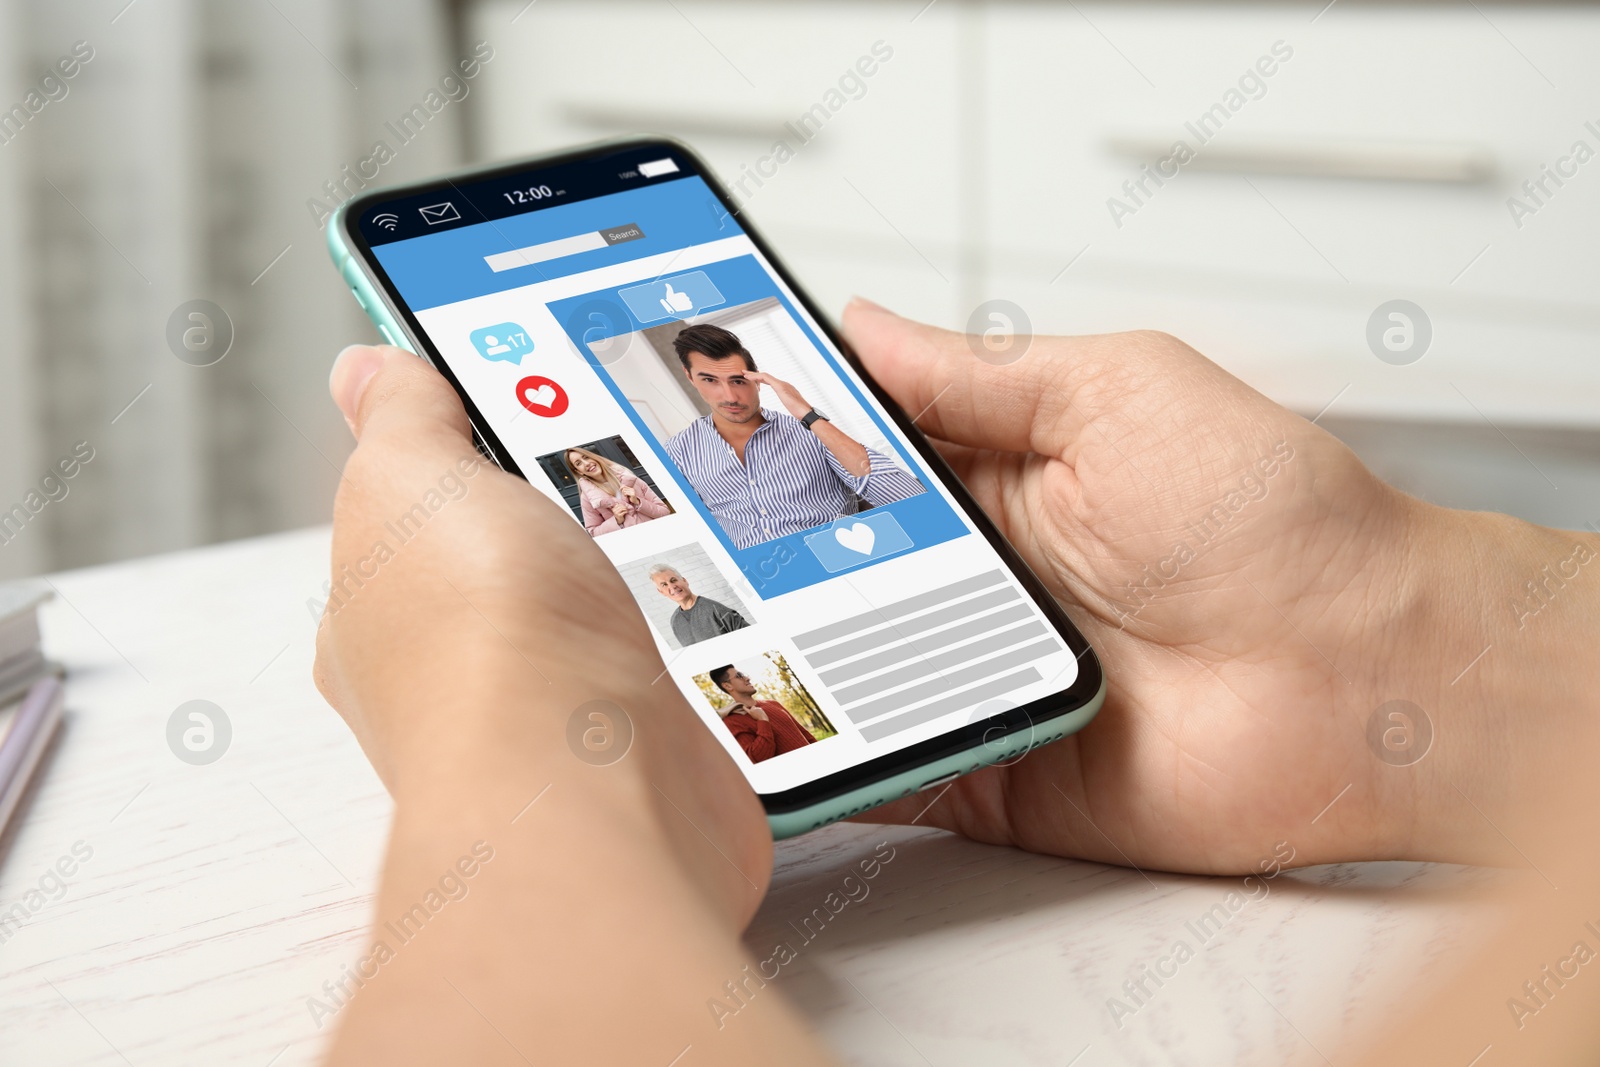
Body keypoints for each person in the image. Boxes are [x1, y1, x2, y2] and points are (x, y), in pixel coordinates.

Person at [316, 299, 1600, 1065]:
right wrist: (1401, 642)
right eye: (706, 377)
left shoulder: (809, 432)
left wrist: (520, 727)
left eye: (733, 371)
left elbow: (882, 492)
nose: (723, 389)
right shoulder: (672, 469)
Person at [662, 322, 923, 548]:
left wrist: (808, 414)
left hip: (836, 556)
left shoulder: (810, 431)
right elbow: (693, 532)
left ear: (757, 379)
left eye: (738, 381)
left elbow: (908, 498)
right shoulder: (677, 451)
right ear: (690, 378)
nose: (729, 396)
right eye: (710, 380)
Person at [709, 664, 817, 763]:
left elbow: (805, 735)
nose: (747, 678)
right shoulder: (732, 721)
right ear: (728, 686)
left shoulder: (773, 703)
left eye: (743, 674)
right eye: (739, 676)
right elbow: (756, 758)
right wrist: (762, 721)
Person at [562, 445, 671, 537]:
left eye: (586, 457)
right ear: (579, 472)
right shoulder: (588, 498)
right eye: (578, 463)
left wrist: (638, 501)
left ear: (594, 458)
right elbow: (593, 532)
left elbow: (664, 512)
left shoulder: (631, 480)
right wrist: (617, 520)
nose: (586, 463)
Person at [649, 562, 749, 646]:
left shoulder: (716, 610)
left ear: (685, 581)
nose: (672, 586)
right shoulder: (675, 621)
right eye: (664, 585)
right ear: (661, 592)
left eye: (673, 580)